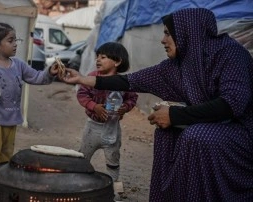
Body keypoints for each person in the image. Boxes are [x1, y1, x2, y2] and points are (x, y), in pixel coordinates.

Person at [62, 8, 253, 201]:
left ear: (187, 31)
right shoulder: (178, 64)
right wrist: (83, 79)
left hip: (241, 130)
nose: (162, 40)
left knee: (196, 136)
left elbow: (232, 104)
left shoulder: (230, 54)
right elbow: (130, 81)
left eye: (168, 33)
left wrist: (174, 115)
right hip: (210, 125)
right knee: (166, 133)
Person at [0, 23, 59, 185]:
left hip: (12, 118)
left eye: (15, 40)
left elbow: (37, 77)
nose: (15, 44)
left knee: (6, 153)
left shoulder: (18, 64)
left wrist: (49, 72)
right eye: (10, 40)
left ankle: (2, 179)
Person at [76, 42, 138, 184]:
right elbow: (82, 95)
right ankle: (78, 185)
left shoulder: (123, 82)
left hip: (112, 129)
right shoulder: (92, 77)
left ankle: (112, 190)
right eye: (97, 57)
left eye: (103, 57)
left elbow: (133, 97)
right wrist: (94, 106)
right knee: (82, 158)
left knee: (113, 160)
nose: (97, 60)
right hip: (92, 127)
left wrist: (125, 107)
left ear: (117, 61)